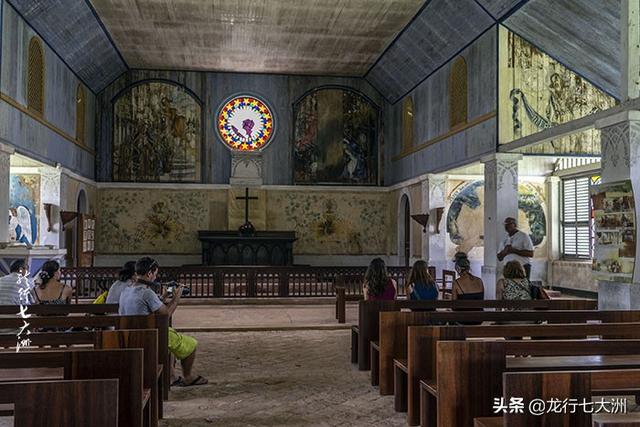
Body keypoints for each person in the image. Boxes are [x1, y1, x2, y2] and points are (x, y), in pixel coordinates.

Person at [119, 257, 207, 387]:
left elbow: (145, 306)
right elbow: (166, 314)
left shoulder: (126, 290)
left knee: (170, 344)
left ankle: (171, 377)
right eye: (155, 273)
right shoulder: (147, 292)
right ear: (149, 273)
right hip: (149, 336)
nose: (155, 277)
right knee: (191, 344)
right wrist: (178, 295)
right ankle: (187, 377)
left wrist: (163, 297)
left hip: (127, 335)